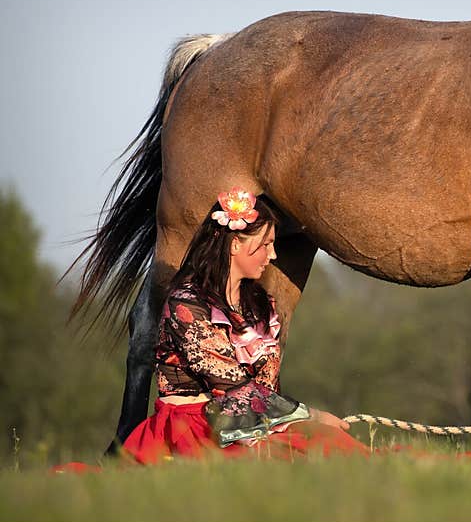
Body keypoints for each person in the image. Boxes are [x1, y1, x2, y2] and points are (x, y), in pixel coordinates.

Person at [121, 187, 369, 464]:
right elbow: (231, 387)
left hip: (247, 420)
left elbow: (266, 386)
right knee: (294, 454)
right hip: (192, 427)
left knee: (332, 445)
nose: (272, 255)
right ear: (235, 244)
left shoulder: (261, 306)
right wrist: (311, 416)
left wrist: (299, 423)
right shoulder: (186, 306)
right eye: (265, 245)